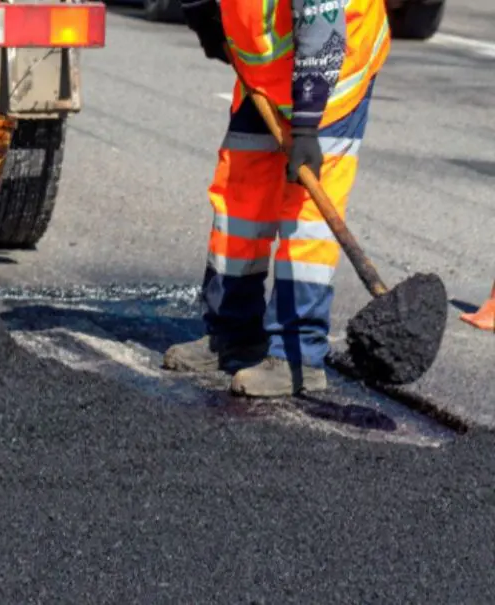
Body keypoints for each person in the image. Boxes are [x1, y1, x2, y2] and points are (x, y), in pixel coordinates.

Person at [165, 0, 390, 397]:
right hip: (265, 71)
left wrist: (305, 129)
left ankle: (297, 355)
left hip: (336, 69)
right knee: (241, 192)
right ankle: (232, 333)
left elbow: (324, 31)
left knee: (306, 215)